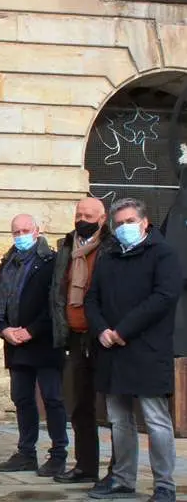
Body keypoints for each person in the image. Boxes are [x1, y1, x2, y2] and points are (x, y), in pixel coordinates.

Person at [84, 198, 181, 502]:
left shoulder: (163, 254)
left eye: (129, 222)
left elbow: (164, 296)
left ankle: (164, 484)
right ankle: (123, 478)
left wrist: (124, 330)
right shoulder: (108, 256)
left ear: (144, 222)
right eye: (119, 223)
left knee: (155, 420)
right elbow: (91, 299)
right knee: (118, 418)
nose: (124, 228)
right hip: (112, 350)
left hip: (148, 348)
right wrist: (102, 330)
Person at [0, 214, 67, 477]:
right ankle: (26, 452)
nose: (21, 235)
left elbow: (55, 303)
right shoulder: (7, 262)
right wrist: (3, 329)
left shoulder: (51, 261)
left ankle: (59, 454)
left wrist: (31, 331)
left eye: (26, 230)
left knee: (53, 399)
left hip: (44, 343)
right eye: (16, 231)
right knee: (22, 398)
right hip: (15, 343)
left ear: (37, 231)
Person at [49, 197, 115, 484]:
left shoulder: (110, 247)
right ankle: (85, 466)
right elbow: (58, 290)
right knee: (79, 405)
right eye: (79, 213)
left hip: (103, 336)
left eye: (89, 214)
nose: (82, 219)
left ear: (102, 219)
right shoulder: (67, 246)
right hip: (75, 337)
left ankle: (117, 471)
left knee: (114, 409)